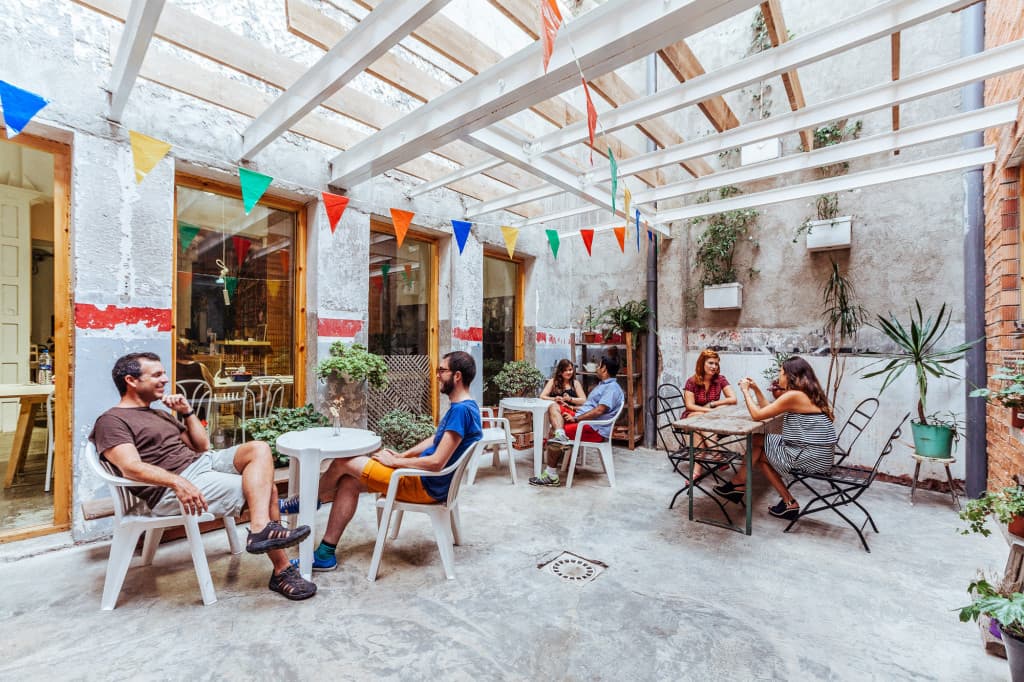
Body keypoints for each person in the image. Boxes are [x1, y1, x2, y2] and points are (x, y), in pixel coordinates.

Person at [90, 352, 316, 600]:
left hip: (202, 464)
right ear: (131, 380)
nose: (165, 379)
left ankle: (261, 528)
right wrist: (177, 481)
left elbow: (201, 445)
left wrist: (187, 412)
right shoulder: (111, 421)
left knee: (259, 448)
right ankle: (282, 570)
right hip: (172, 488)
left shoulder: (158, 413)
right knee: (267, 490)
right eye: (156, 375)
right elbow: (131, 467)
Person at [296, 351, 482, 571]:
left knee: (341, 462)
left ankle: (307, 501)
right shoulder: (468, 406)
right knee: (349, 481)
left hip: (423, 485)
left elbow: (437, 463)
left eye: (442, 370)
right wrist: (403, 456)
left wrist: (395, 464)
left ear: (457, 376)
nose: (438, 375)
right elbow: (436, 439)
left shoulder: (460, 411)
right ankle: (325, 554)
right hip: (428, 482)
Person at [712, 356, 838, 521]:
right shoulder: (806, 393)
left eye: (781, 372)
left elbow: (758, 415)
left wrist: (745, 391)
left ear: (790, 375)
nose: (779, 377)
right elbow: (769, 409)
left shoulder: (794, 395)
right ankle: (785, 501)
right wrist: (756, 389)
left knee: (757, 442)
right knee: (759, 446)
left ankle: (738, 484)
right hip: (819, 455)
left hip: (810, 456)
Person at [530, 355, 624, 487]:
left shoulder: (611, 388)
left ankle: (551, 475)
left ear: (604, 370)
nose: (597, 368)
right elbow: (590, 407)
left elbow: (599, 411)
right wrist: (572, 408)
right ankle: (560, 434)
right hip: (584, 420)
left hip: (593, 428)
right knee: (553, 407)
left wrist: (576, 418)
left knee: (553, 434)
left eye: (599, 366)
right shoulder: (604, 385)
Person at [682, 348, 737, 417]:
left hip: (712, 413)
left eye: (716, 364)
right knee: (701, 415)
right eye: (710, 363)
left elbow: (733, 399)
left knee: (726, 406)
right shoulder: (692, 381)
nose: (714, 367)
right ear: (702, 364)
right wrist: (711, 411)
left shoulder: (720, 379)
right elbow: (690, 406)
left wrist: (713, 404)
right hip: (695, 413)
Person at [540, 359, 587, 425]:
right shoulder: (553, 382)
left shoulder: (575, 383)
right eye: (565, 370)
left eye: (570, 370)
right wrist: (554, 399)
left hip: (569, 413)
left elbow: (583, 400)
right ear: (560, 372)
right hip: (555, 413)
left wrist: (570, 399)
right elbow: (542, 396)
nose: (568, 372)